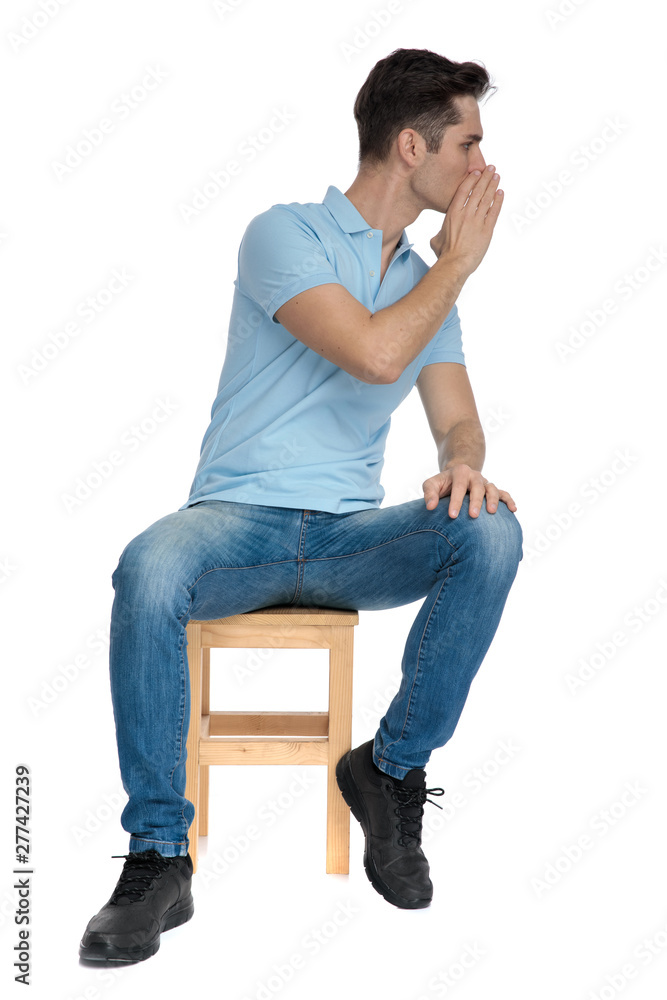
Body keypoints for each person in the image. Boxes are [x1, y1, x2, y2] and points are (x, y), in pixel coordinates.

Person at [79, 47, 523, 965]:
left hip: (351, 539)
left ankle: (389, 770)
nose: (482, 165)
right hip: (234, 525)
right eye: (469, 144)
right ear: (411, 146)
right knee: (149, 567)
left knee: (490, 532)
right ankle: (159, 856)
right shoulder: (283, 234)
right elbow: (373, 353)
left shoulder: (425, 284)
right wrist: (459, 266)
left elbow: (457, 420)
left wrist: (462, 467)